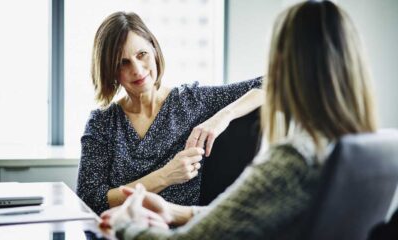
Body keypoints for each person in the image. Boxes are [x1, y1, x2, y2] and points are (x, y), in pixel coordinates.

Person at [98, 1, 378, 239]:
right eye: (123, 62)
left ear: (283, 63)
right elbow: (253, 211)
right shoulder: (364, 151)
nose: (136, 68)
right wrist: (174, 210)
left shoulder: (293, 159)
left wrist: (127, 225)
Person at [76, 11, 264, 215]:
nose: (138, 70)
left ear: (154, 50)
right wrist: (166, 176)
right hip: (118, 232)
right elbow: (90, 198)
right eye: (124, 63)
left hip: (181, 231)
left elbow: (273, 82)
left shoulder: (191, 101)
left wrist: (222, 117)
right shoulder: (102, 122)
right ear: (110, 70)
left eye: (141, 55)